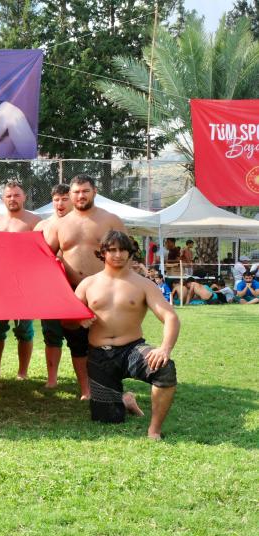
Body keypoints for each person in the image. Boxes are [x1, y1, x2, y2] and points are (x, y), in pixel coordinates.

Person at [73, 231, 179, 440]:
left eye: (123, 250)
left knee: (164, 369)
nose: (117, 254)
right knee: (108, 418)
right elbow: (67, 320)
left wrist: (165, 348)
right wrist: (78, 320)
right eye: (112, 250)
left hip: (132, 349)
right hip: (99, 355)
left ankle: (154, 429)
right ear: (103, 253)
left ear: (130, 253)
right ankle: (126, 400)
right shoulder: (88, 284)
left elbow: (170, 317)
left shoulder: (144, 284)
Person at [46, 174, 127, 400]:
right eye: (76, 192)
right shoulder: (59, 224)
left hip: (106, 289)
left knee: (110, 340)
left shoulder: (110, 220)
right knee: (77, 341)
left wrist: (125, 284)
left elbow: (127, 253)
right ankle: (86, 390)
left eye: (85, 191)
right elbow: (45, 255)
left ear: (95, 192)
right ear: (70, 195)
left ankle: (109, 386)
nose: (80, 196)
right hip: (74, 291)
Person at [33, 183, 86, 389]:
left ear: (71, 200)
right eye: (56, 199)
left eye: (64, 199)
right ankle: (52, 379)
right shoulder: (42, 225)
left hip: (75, 287)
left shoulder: (81, 224)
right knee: (51, 334)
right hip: (50, 289)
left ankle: (87, 382)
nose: (60, 203)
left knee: (79, 336)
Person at [0, 181, 41, 381]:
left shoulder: (35, 221)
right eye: (9, 196)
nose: (12, 199)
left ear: (24, 197)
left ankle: (22, 372)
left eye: (16, 195)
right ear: (3, 199)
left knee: (24, 330)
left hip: (24, 284)